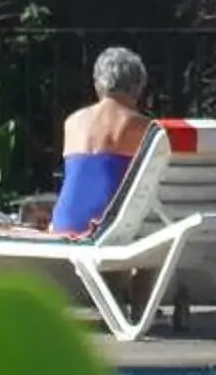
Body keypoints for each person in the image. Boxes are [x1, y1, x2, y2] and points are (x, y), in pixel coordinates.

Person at [47, 47, 153, 237]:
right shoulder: (143, 128)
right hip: (106, 230)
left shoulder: (72, 122)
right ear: (139, 86)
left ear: (98, 84)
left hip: (62, 226)